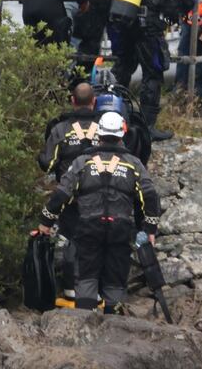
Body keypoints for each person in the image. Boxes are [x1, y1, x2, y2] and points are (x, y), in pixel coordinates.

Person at [38, 111, 161, 314]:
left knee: (86, 276)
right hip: (120, 228)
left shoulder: (83, 161)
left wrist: (45, 221)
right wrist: (149, 229)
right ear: (122, 134)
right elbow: (150, 196)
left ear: (99, 134)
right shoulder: (134, 163)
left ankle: (85, 324)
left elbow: (61, 194)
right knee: (115, 279)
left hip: (88, 227)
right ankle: (114, 325)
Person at [105, 0, 197, 142]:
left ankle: (114, 120)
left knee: (122, 69)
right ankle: (147, 128)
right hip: (150, 26)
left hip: (123, 21)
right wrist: (176, 11)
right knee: (153, 73)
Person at [38, 82, 100, 303]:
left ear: (72, 101)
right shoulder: (106, 126)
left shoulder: (60, 128)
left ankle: (71, 289)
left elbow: (48, 163)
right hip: (102, 195)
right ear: (94, 101)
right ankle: (99, 288)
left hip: (70, 196)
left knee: (71, 240)